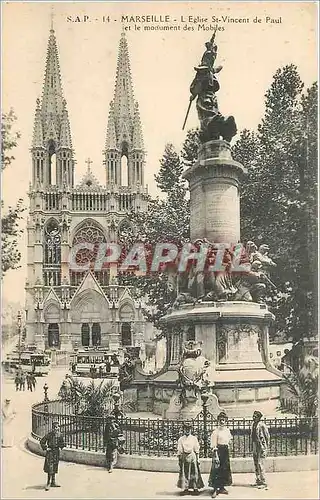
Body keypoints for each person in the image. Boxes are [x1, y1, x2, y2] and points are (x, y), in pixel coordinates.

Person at [208, 411, 233, 498]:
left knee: (224, 469)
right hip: (218, 451)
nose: (222, 422)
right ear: (218, 421)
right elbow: (214, 445)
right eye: (220, 420)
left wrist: (228, 448)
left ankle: (222, 487)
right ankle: (215, 489)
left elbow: (229, 441)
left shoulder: (227, 430)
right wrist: (216, 456)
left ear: (226, 421)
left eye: (224, 420)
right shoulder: (215, 432)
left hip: (225, 452)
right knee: (216, 470)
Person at [177, 421, 204, 496]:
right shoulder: (181, 439)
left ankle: (195, 488)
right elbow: (180, 450)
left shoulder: (194, 438)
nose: (187, 430)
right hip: (184, 457)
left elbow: (196, 449)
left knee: (194, 472)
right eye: (186, 429)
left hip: (192, 456)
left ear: (191, 430)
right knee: (185, 473)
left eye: (189, 429)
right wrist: (179, 459)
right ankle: (186, 488)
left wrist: (198, 459)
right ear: (183, 430)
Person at [40, 421, 65, 491]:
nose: (55, 429)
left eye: (57, 427)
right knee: (50, 467)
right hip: (50, 452)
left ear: (58, 428)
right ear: (52, 428)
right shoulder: (49, 435)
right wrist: (46, 448)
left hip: (56, 453)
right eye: (54, 427)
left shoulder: (60, 435)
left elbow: (62, 443)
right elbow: (42, 441)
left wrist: (60, 447)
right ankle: (48, 483)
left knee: (55, 466)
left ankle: (53, 482)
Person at [251, 410, 270, 489]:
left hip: (261, 446)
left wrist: (265, 446)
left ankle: (263, 481)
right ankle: (258, 480)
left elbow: (267, 436)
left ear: (259, 418)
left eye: (256, 416)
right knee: (256, 463)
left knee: (260, 463)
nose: (254, 417)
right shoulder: (253, 424)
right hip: (255, 445)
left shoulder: (262, 425)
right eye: (253, 416)